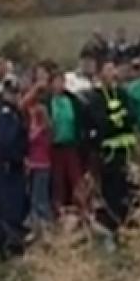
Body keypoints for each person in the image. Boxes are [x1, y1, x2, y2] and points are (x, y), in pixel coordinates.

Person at [87, 61, 138, 239]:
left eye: (113, 68)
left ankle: (129, 226)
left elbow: (132, 115)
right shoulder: (95, 97)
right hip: (109, 155)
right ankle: (113, 229)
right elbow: (101, 123)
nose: (113, 73)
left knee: (130, 190)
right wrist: (118, 119)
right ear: (101, 74)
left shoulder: (123, 93)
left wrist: (118, 119)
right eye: (108, 69)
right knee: (111, 192)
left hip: (127, 152)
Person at [46, 66, 91, 217]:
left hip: (71, 145)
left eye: (62, 81)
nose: (59, 85)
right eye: (56, 81)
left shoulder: (72, 100)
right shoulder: (47, 102)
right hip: (55, 147)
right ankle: (59, 211)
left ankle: (83, 208)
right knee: (58, 180)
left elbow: (80, 119)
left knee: (76, 177)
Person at [0, 82, 28, 259]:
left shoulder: (12, 112)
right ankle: (9, 247)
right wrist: (14, 157)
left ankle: (11, 244)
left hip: (12, 165)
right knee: (10, 207)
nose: (15, 96)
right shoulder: (6, 114)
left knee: (14, 206)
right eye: (11, 93)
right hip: (8, 167)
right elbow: (6, 141)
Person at [22, 68, 54, 228]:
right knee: (34, 195)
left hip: (41, 161)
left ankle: (44, 223)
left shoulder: (43, 122)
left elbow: (37, 136)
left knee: (40, 196)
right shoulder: (32, 114)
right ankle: (37, 224)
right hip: (33, 160)